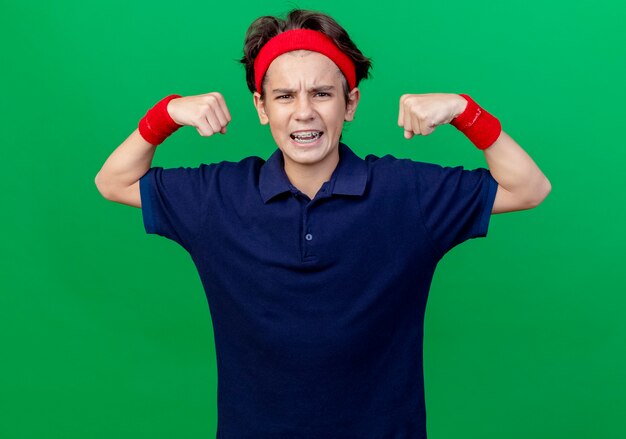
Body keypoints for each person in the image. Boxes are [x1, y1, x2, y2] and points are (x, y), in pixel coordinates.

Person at [95, 8, 551, 439]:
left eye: (322, 93)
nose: (304, 111)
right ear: (261, 107)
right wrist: (168, 114)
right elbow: (113, 181)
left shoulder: (405, 192)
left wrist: (462, 110)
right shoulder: (218, 196)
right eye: (285, 96)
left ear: (350, 104)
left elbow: (529, 188)